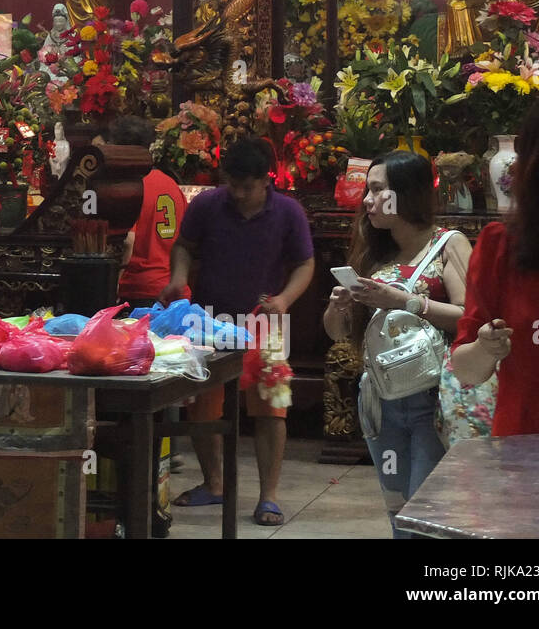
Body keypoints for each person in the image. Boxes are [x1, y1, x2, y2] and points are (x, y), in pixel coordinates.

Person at [160, 137, 314, 526]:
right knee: (200, 408)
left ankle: (269, 497)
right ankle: (215, 484)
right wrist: (178, 278)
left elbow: (305, 264)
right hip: (207, 322)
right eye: (234, 185)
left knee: (270, 410)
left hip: (264, 322)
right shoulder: (207, 205)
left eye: (249, 187)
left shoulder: (288, 212)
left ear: (267, 180)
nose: (241, 194)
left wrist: (284, 299)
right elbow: (184, 246)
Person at [321, 151, 474, 538]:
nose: (368, 200)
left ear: (405, 193)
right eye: (367, 191)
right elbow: (338, 333)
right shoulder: (376, 252)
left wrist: (405, 301)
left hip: (432, 398)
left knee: (427, 514)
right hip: (380, 400)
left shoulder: (448, 244)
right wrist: (338, 307)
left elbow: (471, 317)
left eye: (378, 190)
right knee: (398, 512)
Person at [452, 91, 539, 435]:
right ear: (536, 161)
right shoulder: (501, 246)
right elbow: (466, 370)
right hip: (524, 452)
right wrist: (486, 348)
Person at [94, 115, 187, 305]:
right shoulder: (171, 184)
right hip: (173, 289)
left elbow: (128, 240)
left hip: (138, 291)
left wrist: (115, 286)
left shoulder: (126, 187)